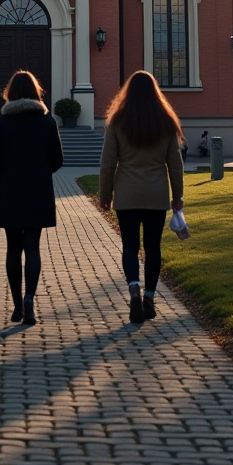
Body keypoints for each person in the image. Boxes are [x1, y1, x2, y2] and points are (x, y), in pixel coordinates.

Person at [99, 70, 184, 326]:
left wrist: (105, 195)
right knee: (153, 247)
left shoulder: (117, 121)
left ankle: (134, 288)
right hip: (156, 194)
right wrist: (177, 196)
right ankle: (149, 297)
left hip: (127, 194)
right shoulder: (166, 122)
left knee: (130, 247)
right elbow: (175, 164)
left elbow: (107, 163)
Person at [0, 70, 63, 327]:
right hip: (38, 192)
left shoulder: (2, 123)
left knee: (13, 249)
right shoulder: (47, 122)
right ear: (36, 92)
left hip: (8, 193)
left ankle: (17, 304)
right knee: (33, 247)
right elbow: (58, 161)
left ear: (10, 93)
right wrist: (40, 169)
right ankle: (29, 301)